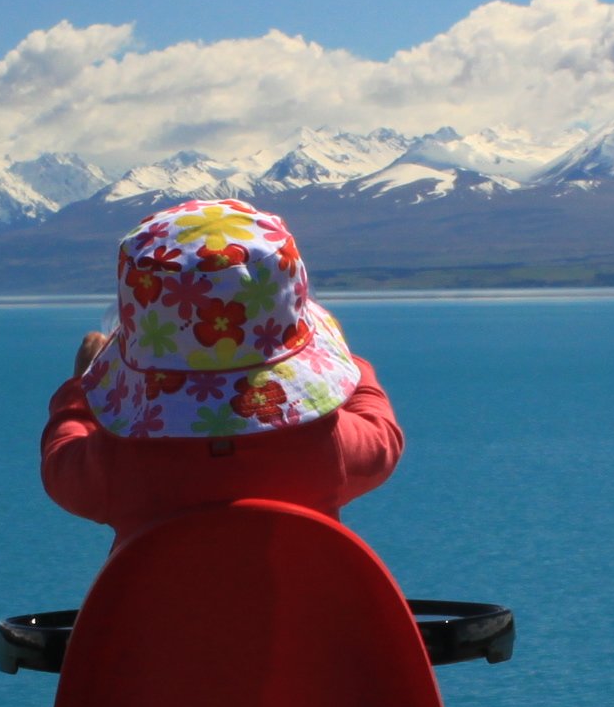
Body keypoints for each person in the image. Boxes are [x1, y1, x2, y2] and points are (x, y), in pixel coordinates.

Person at [40, 198, 404, 546]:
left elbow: (60, 462)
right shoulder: (327, 444)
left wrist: (79, 389)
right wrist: (345, 360)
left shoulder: (117, 461)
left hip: (162, 613)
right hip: (309, 613)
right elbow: (383, 434)